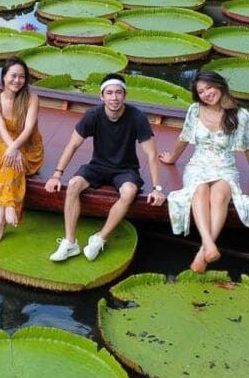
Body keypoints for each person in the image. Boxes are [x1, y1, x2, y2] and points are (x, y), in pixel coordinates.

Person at [159, 71, 249, 273]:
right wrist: (172, 159)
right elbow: (184, 137)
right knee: (200, 190)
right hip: (198, 164)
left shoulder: (240, 115)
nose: (206, 94)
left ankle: (203, 251)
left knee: (219, 196)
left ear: (219, 86)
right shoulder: (195, 110)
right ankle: (209, 245)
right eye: (200, 91)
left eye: (208, 88)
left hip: (225, 166)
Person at [45, 73, 165, 262]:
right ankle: (70, 242)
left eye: (118, 93)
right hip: (98, 165)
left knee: (129, 191)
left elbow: (151, 153)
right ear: (102, 96)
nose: (114, 97)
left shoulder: (137, 117)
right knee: (74, 184)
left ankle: (99, 238)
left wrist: (157, 189)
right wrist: (56, 175)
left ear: (125, 95)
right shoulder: (93, 115)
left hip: (125, 169)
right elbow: (72, 145)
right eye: (109, 93)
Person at [0, 57, 44, 244]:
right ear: (3, 77)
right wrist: (12, 149)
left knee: (10, 163)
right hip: (6, 145)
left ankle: (1, 217)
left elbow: (28, 129)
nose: (17, 80)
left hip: (30, 148)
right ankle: (8, 208)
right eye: (13, 76)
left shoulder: (31, 99)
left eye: (21, 77)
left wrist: (15, 149)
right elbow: (2, 129)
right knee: (11, 160)